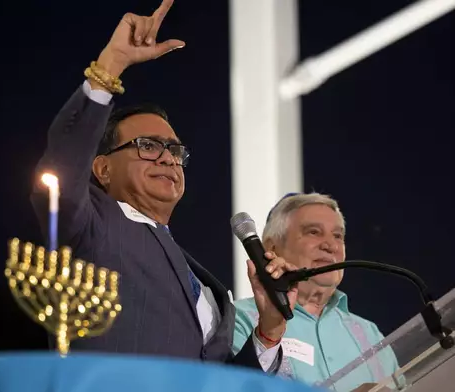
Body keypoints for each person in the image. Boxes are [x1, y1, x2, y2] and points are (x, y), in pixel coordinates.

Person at [30, 0, 299, 372]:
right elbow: (62, 163)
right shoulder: (90, 226)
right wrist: (111, 64)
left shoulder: (207, 288)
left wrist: (268, 332)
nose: (167, 158)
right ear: (103, 169)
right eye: (148, 146)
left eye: (174, 150)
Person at [232, 193, 400, 390]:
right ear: (271, 248)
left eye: (338, 236)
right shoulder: (238, 319)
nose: (330, 246)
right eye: (313, 232)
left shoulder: (369, 333)